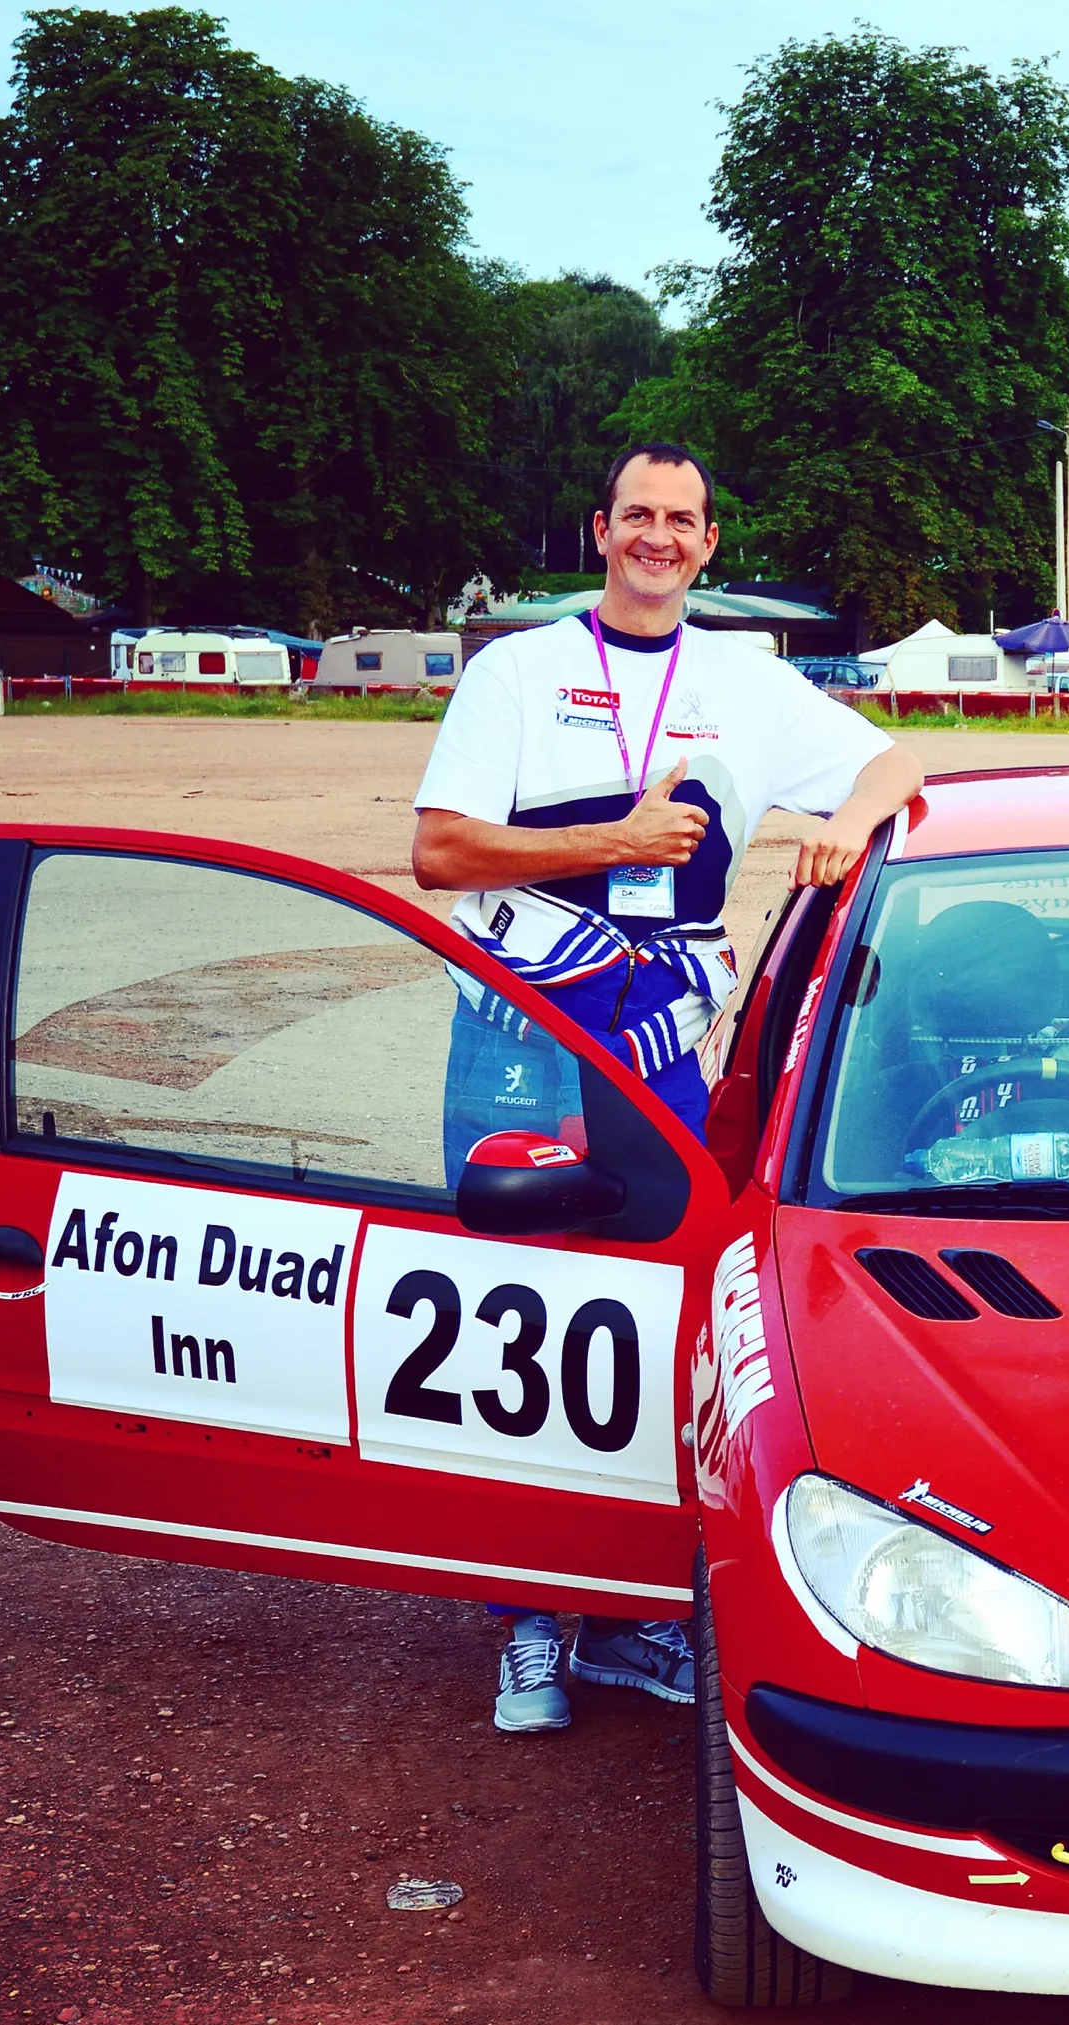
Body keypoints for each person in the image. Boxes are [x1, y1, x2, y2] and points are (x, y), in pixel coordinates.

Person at [412, 441, 924, 1732]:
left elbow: (895, 763)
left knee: (653, 1319)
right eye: (634, 513)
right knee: (513, 1320)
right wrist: (617, 840)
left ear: (707, 544)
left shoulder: (747, 684)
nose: (655, 534)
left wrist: (852, 819)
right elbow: (440, 850)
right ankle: (528, 1619)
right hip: (526, 1025)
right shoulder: (516, 672)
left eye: (679, 519)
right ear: (599, 530)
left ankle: (634, 1617)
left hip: (662, 1047)